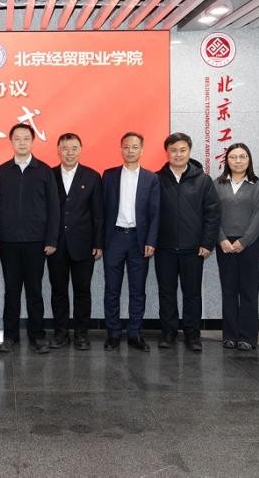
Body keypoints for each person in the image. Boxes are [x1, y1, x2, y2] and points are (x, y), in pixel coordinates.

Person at [0, 123, 60, 354]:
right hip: (8, 241)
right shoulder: (2, 171)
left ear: (32, 141)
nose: (21, 142)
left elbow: (54, 208)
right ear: (11, 142)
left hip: (36, 242)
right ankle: (10, 336)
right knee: (11, 291)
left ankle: (37, 336)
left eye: (26, 138)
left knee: (34, 291)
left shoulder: (44, 171)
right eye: (17, 138)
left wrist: (51, 239)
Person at [155, 133, 220, 352]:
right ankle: (168, 332)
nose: (178, 154)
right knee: (166, 292)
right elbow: (150, 213)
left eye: (182, 150)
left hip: (193, 249)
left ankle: (192, 334)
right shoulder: (157, 179)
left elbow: (212, 214)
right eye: (173, 150)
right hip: (164, 248)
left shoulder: (203, 180)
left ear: (189, 151)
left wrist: (207, 243)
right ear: (167, 152)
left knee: (192, 294)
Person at [102, 132, 160, 352]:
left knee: (137, 290)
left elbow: (155, 213)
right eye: (126, 147)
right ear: (121, 149)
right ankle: (113, 333)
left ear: (141, 150)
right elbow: (101, 211)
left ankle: (135, 333)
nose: (130, 151)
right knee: (112, 289)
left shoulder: (151, 178)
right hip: (114, 239)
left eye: (135, 147)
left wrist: (151, 241)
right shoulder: (109, 176)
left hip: (139, 240)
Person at [47, 133, 104, 350]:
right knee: (58, 291)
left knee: (82, 291)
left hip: (84, 244)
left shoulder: (92, 176)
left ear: (80, 149)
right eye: (65, 148)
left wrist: (98, 243)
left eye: (74, 148)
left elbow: (98, 214)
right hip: (56, 245)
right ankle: (61, 333)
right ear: (58, 150)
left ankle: (81, 334)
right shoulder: (49, 175)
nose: (69, 153)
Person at [213, 143, 259, 351]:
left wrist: (244, 241)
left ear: (249, 159)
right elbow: (213, 214)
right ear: (226, 160)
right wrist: (222, 239)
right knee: (229, 290)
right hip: (224, 244)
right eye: (233, 157)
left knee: (249, 291)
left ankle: (248, 337)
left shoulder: (257, 184)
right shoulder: (218, 184)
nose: (238, 161)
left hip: (250, 244)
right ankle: (230, 335)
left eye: (243, 156)